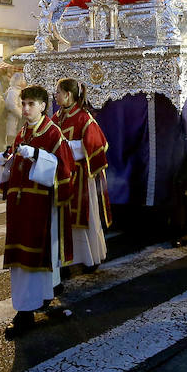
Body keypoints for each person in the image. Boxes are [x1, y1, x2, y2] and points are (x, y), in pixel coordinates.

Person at [0, 85, 75, 338]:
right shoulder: (22, 132)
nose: (25, 108)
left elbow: (64, 170)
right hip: (20, 205)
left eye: (31, 104)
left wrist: (38, 155)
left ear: (43, 106)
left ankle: (25, 311)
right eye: (23, 104)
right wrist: (6, 160)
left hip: (40, 206)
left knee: (33, 258)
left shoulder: (53, 134)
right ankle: (39, 298)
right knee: (22, 258)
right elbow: (16, 163)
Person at [52, 79, 111, 272]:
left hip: (81, 177)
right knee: (64, 220)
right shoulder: (58, 116)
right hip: (62, 176)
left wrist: (66, 148)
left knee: (85, 220)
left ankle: (89, 258)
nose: (56, 95)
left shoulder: (83, 118)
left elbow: (97, 145)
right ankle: (67, 260)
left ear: (69, 94)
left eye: (59, 92)